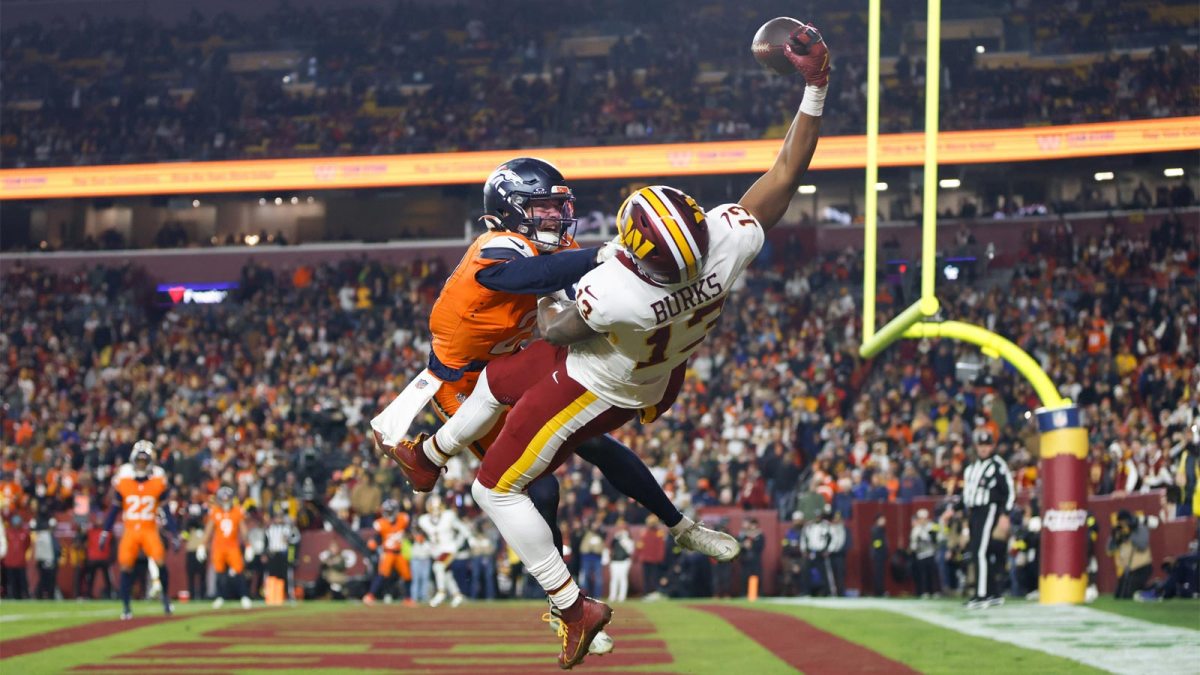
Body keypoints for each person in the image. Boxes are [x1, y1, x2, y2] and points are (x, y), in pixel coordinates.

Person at [390, 21, 830, 667]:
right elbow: (787, 171)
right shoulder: (725, 243)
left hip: (601, 384)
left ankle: (573, 606)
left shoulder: (618, 289)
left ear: (637, 256)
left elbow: (553, 327)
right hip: (651, 359)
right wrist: (816, 87)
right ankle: (429, 453)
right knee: (501, 378)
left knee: (495, 489)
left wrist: (560, 283)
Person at [373, 156, 735, 564]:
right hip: (463, 382)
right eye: (541, 207)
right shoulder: (494, 247)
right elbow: (523, 276)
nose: (554, 216)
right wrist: (601, 255)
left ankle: (680, 526)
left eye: (557, 206)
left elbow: (584, 291)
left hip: (512, 363)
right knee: (539, 486)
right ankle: (566, 602)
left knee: (596, 442)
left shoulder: (559, 248)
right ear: (510, 208)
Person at [100, 441, 175, 619]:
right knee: (125, 565)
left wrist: (174, 532)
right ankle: (126, 606)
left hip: (150, 528)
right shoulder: (125, 480)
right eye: (139, 460)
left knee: (160, 561)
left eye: (144, 460)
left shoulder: (157, 480)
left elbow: (166, 510)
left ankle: (165, 598)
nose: (141, 464)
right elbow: (114, 509)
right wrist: (105, 531)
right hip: (131, 529)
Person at [962, 430, 1015, 608]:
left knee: (979, 551)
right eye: (981, 445)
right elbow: (968, 493)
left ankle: (981, 594)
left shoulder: (997, 465)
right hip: (974, 511)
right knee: (979, 551)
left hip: (989, 509)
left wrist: (1005, 513)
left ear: (992, 446)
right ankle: (993, 593)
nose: (984, 449)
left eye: (987, 445)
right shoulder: (972, 467)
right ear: (976, 447)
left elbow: (1009, 490)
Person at [204, 486, 252, 610]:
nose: (225, 502)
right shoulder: (215, 511)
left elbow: (243, 530)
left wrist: (248, 545)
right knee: (219, 572)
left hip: (232, 546)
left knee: (239, 571)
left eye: (227, 499)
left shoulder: (237, 511)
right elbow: (209, 530)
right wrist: (202, 545)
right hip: (218, 546)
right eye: (223, 500)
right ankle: (220, 596)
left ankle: (244, 596)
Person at [417, 497, 471, 608]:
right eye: (433, 507)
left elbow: (464, 529)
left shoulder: (448, 516)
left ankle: (441, 592)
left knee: (438, 567)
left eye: (438, 507)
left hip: (449, 548)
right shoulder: (423, 520)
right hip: (437, 551)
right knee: (446, 574)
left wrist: (458, 543)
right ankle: (457, 595)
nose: (436, 510)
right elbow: (421, 536)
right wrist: (426, 546)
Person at [364, 499, 410, 605]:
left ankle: (408, 598)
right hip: (388, 552)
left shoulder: (403, 519)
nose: (389, 514)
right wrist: (374, 543)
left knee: (407, 575)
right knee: (382, 574)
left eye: (390, 511)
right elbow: (377, 538)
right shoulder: (381, 523)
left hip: (400, 552)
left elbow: (408, 531)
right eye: (387, 511)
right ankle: (370, 595)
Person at [1109, 509, 1152, 599]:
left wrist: (1130, 535)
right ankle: (1144, 590)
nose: (1123, 525)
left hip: (1142, 567)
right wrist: (1114, 539)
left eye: (1124, 522)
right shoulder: (1120, 531)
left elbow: (1142, 545)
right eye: (1121, 522)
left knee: (1128, 595)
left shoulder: (1140, 528)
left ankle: (1153, 589)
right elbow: (1109, 549)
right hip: (1129, 569)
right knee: (1118, 595)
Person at [264, 505, 301, 603]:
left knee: (286, 576)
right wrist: (266, 553)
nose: (279, 519)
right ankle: (270, 595)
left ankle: (289, 595)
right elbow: (266, 542)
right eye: (277, 517)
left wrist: (292, 556)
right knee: (272, 576)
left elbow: (296, 540)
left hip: (284, 554)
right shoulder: (270, 529)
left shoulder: (288, 528)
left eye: (280, 517)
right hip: (273, 554)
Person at [909, 508, 939, 598]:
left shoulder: (931, 526)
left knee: (932, 574)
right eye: (921, 518)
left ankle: (933, 591)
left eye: (924, 518)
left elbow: (936, 539)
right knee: (923, 574)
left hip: (930, 552)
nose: (923, 520)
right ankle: (924, 591)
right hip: (921, 554)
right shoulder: (916, 529)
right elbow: (913, 544)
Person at [607, 521, 633, 603]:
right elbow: (610, 547)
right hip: (615, 561)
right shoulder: (615, 538)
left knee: (623, 579)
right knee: (614, 579)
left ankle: (622, 596)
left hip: (624, 561)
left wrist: (624, 539)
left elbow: (630, 550)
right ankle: (612, 596)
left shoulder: (628, 539)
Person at [869, 514, 888, 597]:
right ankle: (879, 591)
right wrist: (880, 549)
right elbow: (876, 543)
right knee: (878, 574)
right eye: (882, 519)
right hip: (878, 554)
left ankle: (880, 590)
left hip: (879, 554)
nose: (884, 521)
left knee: (880, 574)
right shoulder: (876, 530)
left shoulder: (880, 529)